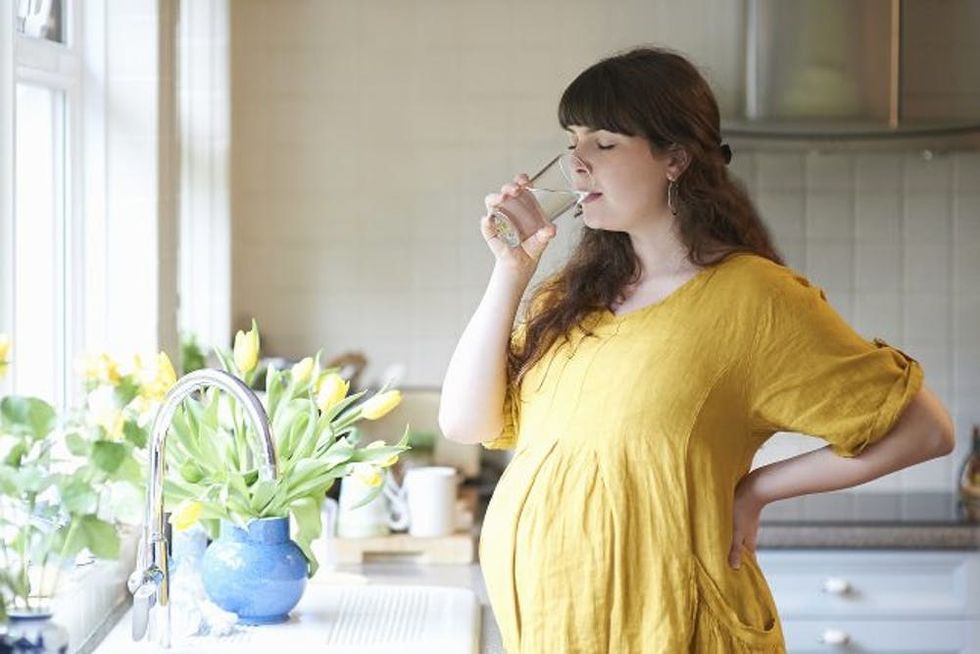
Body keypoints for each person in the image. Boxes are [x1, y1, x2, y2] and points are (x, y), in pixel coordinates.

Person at [438, 46, 955, 653]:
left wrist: (758, 488)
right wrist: (512, 270)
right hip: (556, 633)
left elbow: (926, 430)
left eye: (604, 144)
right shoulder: (569, 298)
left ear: (674, 159)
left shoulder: (753, 298)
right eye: (571, 141)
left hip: (678, 631)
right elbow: (466, 421)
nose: (575, 165)